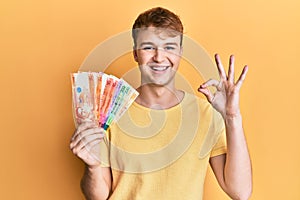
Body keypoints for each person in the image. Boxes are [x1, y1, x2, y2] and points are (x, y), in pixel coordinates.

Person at [70, 7, 252, 200]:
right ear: (135, 54)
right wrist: (92, 166)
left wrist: (232, 118)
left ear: (180, 53)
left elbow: (240, 192)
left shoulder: (205, 113)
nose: (159, 57)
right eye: (148, 47)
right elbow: (98, 196)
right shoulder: (109, 113)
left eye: (169, 47)